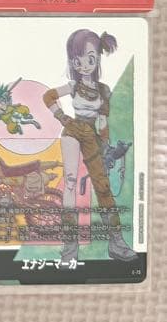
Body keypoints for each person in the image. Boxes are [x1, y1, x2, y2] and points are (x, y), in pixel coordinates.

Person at [43, 29, 137, 265]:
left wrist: (105, 147)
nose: (83, 64)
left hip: (92, 136)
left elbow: (102, 122)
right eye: (77, 60)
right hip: (73, 130)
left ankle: (116, 243)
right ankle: (69, 249)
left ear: (98, 59)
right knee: (70, 183)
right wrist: (62, 117)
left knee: (103, 186)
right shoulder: (74, 85)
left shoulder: (104, 90)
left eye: (90, 58)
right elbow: (48, 96)